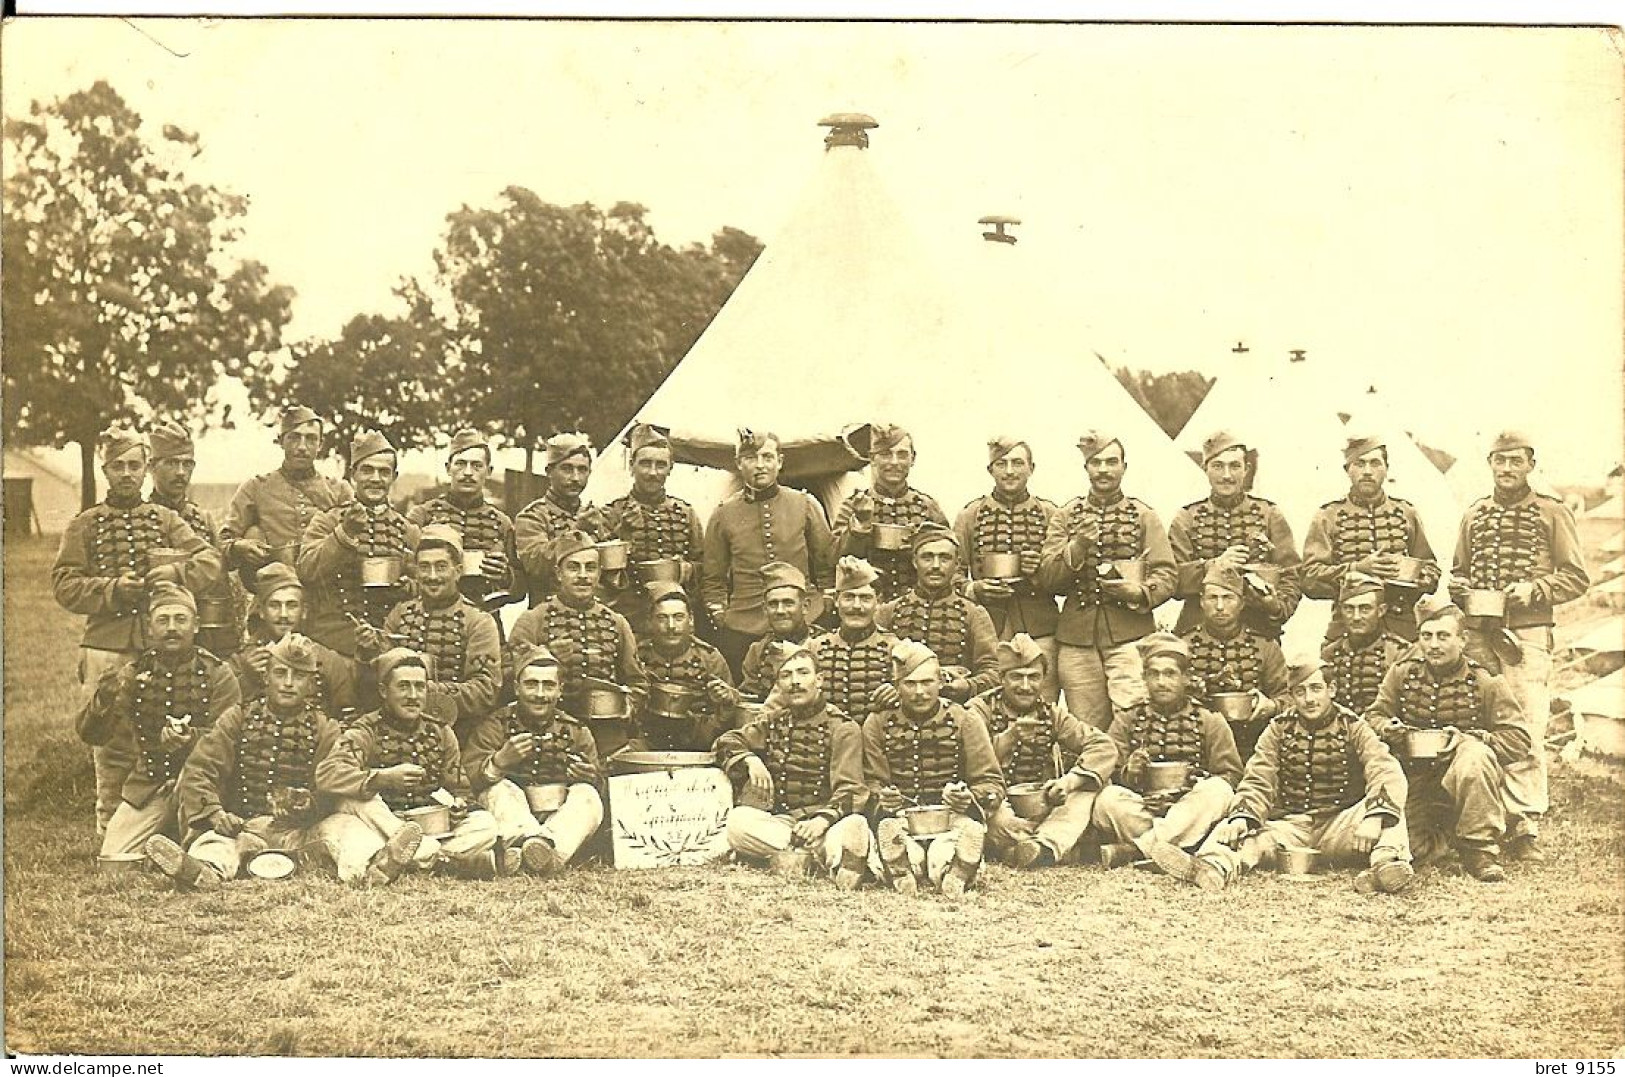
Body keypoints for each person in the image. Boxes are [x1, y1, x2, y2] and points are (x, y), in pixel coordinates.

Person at [54, 427, 223, 834]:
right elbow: (64, 583)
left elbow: (210, 560)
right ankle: (108, 818)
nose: (127, 473)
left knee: (161, 727)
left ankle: (164, 820)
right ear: (105, 469)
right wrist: (112, 590)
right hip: (106, 644)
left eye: (134, 465)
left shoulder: (165, 520)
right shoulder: (85, 524)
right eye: (118, 466)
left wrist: (174, 571)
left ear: (146, 468)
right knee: (109, 734)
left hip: (157, 642)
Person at [147, 634, 398, 889]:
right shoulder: (237, 718)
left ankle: (374, 865)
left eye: (299, 676)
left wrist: (310, 802)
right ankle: (204, 871)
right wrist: (215, 814)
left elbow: (333, 782)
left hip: (301, 833)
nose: (288, 683)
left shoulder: (325, 729)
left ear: (311, 685)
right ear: (266, 677)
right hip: (244, 827)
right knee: (216, 844)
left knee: (347, 829)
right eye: (281, 673)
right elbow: (200, 769)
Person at [1449, 429, 1590, 862]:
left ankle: (1525, 821)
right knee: (1480, 721)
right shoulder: (1474, 515)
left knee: (1526, 724)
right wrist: (1460, 588)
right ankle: (1487, 818)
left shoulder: (1551, 513)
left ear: (1531, 464)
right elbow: (1458, 573)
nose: (1507, 469)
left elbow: (1576, 578)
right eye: (1499, 461)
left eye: (1515, 461)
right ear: (1489, 464)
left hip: (1528, 636)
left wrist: (1535, 589)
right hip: (1479, 634)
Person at [1189, 656, 1413, 894]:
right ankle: (1214, 866)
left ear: (1332, 689)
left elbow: (1384, 769)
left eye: (1316, 689)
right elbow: (1258, 777)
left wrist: (1373, 819)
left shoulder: (1354, 727)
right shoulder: (1277, 729)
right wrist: (1242, 818)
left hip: (1342, 827)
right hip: (1292, 828)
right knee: (1235, 828)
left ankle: (1386, 867)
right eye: (1300, 692)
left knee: (1391, 815)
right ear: (1292, 695)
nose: (1309, 699)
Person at [1364, 596, 1532, 883]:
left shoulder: (1486, 681)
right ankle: (1449, 835)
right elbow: (1373, 715)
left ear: (1463, 640)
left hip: (1462, 780)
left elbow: (1518, 740)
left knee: (1475, 756)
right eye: (1426, 636)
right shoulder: (1403, 673)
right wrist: (1388, 728)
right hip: (1416, 780)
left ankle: (1480, 848)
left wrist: (1472, 739)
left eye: (1443, 636)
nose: (1433, 645)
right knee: (1414, 849)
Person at [76, 583, 242, 859]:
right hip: (151, 783)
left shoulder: (218, 674)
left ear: (196, 625)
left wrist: (191, 738)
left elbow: (233, 739)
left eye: (181, 619)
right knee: (115, 856)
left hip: (205, 785)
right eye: (163, 620)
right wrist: (102, 700)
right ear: (149, 628)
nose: (172, 628)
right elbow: (92, 735)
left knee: (204, 850)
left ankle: (194, 846)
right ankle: (167, 837)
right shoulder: (133, 674)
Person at [315, 648, 509, 879]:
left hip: (429, 826)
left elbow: (459, 788)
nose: (413, 696)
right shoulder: (365, 730)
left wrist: (458, 805)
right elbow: (327, 774)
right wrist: (381, 778)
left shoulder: (441, 732)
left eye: (420, 687)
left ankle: (412, 859)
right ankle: (445, 861)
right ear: (384, 691)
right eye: (404, 686)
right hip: (381, 823)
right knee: (357, 805)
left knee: (484, 823)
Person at [1036, 431, 1177, 729]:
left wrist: (1138, 592)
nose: (1104, 470)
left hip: (1130, 635)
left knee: (1135, 717)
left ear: (1124, 467)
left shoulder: (1143, 516)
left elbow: (1166, 574)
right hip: (1077, 638)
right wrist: (1077, 547)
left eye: (1112, 462)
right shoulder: (1065, 515)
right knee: (1085, 726)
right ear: (1086, 468)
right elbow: (1048, 577)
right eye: (1096, 462)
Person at [714, 646, 873, 888]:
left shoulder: (843, 728)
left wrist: (820, 821)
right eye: (786, 675)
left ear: (819, 679)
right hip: (782, 824)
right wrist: (751, 760)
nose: (795, 682)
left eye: (802, 673)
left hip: (824, 822)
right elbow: (726, 741)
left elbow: (851, 790)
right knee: (737, 822)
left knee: (852, 826)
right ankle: (817, 858)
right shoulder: (773, 721)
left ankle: (815, 853)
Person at [1091, 633, 1242, 879]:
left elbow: (1231, 775)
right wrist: (1129, 772)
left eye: (1170, 674)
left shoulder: (1209, 720)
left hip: (1189, 808)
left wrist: (1192, 788)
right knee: (1107, 799)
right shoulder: (1128, 719)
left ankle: (1136, 850)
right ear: (1144, 679)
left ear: (1185, 678)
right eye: (1154, 674)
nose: (1162, 682)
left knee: (1218, 791)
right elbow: (1109, 773)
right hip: (1143, 810)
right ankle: (1175, 846)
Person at [863, 640, 1004, 898]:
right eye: (910, 683)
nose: (919, 692)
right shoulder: (877, 723)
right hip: (901, 818)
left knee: (945, 850)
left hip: (952, 818)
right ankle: (903, 867)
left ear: (941, 682)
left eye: (927, 682)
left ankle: (956, 870)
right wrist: (882, 798)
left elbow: (990, 780)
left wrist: (968, 797)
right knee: (897, 843)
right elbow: (871, 780)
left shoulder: (965, 719)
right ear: (896, 687)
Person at [967, 634, 1118, 869]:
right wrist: (1010, 738)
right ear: (1001, 678)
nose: (1026, 687)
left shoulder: (1052, 714)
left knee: (1086, 792)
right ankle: (1060, 844)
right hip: (996, 804)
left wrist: (1067, 783)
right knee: (996, 819)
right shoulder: (978, 710)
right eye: (1017, 677)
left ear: (1044, 679)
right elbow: (968, 763)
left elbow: (1103, 745)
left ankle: (1040, 846)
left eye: (1034, 677)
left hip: (1040, 803)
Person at [701, 429, 835, 676]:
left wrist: (825, 602)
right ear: (739, 464)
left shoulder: (805, 504)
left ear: (780, 462)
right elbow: (713, 578)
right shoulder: (723, 514)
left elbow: (827, 563)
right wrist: (721, 614)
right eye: (751, 458)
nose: (760, 465)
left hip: (804, 619)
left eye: (767, 457)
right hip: (744, 625)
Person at [462, 644, 604, 877]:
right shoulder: (495, 725)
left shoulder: (576, 730)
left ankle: (537, 852)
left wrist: (590, 776)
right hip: (514, 818)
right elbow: (466, 780)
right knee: (499, 789)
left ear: (560, 690)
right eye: (531, 684)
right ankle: (544, 855)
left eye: (548, 685)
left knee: (587, 795)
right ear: (517, 688)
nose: (540, 694)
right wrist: (499, 762)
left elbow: (599, 785)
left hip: (558, 817)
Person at [508, 532, 647, 758]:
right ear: (558, 574)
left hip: (607, 733)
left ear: (599, 573)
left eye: (590, 568)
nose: (583, 576)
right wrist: (545, 654)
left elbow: (637, 682)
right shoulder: (533, 620)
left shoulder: (617, 622)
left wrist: (628, 706)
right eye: (573, 567)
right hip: (549, 732)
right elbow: (507, 678)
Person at [359, 524, 502, 742]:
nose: (432, 576)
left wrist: (424, 691)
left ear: (458, 570)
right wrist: (368, 653)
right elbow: (377, 683)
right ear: (415, 571)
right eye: (424, 567)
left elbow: (485, 691)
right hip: (397, 732)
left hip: (459, 733)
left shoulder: (479, 622)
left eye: (441, 566)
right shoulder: (399, 614)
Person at [1302, 433, 1441, 643]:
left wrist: (1423, 578)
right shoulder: (1328, 516)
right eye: (1359, 464)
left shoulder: (1406, 513)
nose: (1367, 472)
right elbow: (1310, 579)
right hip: (1348, 628)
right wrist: (1358, 569)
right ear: (1348, 469)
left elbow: (1429, 567)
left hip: (1402, 626)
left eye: (1375, 463)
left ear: (1386, 469)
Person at [953, 436, 1061, 701]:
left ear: (1031, 468)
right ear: (991, 470)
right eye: (1001, 464)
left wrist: (1040, 569)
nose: (1010, 471)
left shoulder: (1050, 514)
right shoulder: (970, 515)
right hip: (989, 624)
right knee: (988, 699)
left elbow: (1065, 575)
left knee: (1041, 699)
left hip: (1040, 623)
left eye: (1017, 463)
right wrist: (974, 588)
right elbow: (952, 571)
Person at [298, 429, 421, 657]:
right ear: (353, 474)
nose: (375, 479)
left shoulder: (409, 531)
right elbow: (306, 570)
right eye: (367, 470)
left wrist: (409, 587)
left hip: (390, 644)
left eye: (383, 472)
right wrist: (344, 535)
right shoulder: (327, 521)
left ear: (394, 476)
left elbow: (431, 585)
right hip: (334, 642)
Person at [1167, 430, 1301, 638]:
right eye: (1218, 466)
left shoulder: (1269, 514)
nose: (1226, 475)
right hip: (1198, 630)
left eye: (1234, 466)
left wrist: (1277, 607)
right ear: (1206, 469)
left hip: (1258, 630)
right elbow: (1172, 580)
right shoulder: (1187, 518)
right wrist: (1213, 566)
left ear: (1246, 469)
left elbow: (1291, 573)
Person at [218, 405, 352, 588]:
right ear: (281, 441)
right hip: (274, 593)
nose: (302, 447)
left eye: (311, 439)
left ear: (321, 444)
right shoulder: (255, 488)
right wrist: (238, 547)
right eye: (294, 438)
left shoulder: (339, 491)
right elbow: (222, 542)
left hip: (327, 592)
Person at [147, 420, 244, 659]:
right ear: (152, 467)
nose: (181, 473)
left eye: (187, 464)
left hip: (203, 636)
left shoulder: (203, 519)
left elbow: (220, 582)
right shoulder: (142, 517)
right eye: (171, 463)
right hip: (154, 635)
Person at [877, 527, 999, 704]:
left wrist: (968, 686)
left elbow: (993, 670)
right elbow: (875, 663)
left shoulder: (974, 614)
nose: (936, 566)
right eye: (927, 557)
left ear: (956, 564)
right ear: (914, 562)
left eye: (944, 558)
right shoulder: (889, 612)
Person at [1181, 562, 1290, 761]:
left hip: (1254, 744)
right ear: (1201, 602)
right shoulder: (1183, 646)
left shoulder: (1265, 645)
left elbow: (1288, 696)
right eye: (1213, 598)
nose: (1220, 606)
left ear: (1242, 603)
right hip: (1197, 745)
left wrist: (1272, 706)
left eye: (1228, 598)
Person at [597, 424, 705, 621]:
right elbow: (601, 577)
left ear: (670, 468)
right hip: (627, 615)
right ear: (632, 466)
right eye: (645, 463)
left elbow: (704, 564)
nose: (653, 472)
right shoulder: (611, 513)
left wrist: (686, 570)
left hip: (673, 616)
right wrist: (623, 536)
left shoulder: (686, 513)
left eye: (660, 465)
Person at [831, 423, 949, 602]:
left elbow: (949, 558)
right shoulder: (853, 505)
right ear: (872, 459)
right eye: (886, 454)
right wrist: (860, 525)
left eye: (902, 455)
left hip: (919, 606)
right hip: (868, 605)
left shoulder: (927, 506)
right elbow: (835, 559)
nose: (894, 462)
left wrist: (920, 546)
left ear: (913, 459)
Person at [407, 428, 522, 608]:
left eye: (477, 466)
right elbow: (405, 571)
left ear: (489, 471)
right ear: (448, 468)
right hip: (432, 619)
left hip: (485, 616)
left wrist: (506, 575)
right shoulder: (422, 515)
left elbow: (521, 590)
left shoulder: (502, 523)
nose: (468, 472)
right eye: (460, 464)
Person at [229, 563, 359, 719]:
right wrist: (247, 678)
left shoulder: (328, 661)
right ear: (262, 612)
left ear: (304, 611)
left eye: (291, 606)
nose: (283, 614)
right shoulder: (241, 662)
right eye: (274, 605)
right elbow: (225, 716)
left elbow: (347, 717)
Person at [634, 582, 739, 751]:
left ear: (690, 620)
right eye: (662, 618)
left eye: (678, 617)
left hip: (698, 743)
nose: (671, 626)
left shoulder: (710, 658)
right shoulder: (637, 655)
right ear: (649, 621)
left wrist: (725, 699)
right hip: (646, 743)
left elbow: (729, 712)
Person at [807, 557, 899, 729]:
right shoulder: (814, 648)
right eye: (849, 597)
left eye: (865, 598)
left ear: (878, 602)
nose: (857, 606)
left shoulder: (895, 648)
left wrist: (900, 690)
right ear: (836, 601)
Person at [514, 432, 603, 605]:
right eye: (567, 469)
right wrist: (577, 532)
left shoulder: (595, 516)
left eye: (582, 470)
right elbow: (536, 565)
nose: (575, 478)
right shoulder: (532, 517)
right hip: (549, 617)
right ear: (549, 472)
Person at [1319, 572, 1412, 715]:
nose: (1356, 617)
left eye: (1365, 609)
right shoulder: (1330, 653)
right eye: (1349, 609)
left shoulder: (1400, 652)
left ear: (1381, 610)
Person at [737, 562, 817, 701]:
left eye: (788, 603)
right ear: (765, 609)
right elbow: (751, 701)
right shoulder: (758, 652)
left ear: (805, 607)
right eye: (773, 604)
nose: (780, 611)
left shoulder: (822, 644)